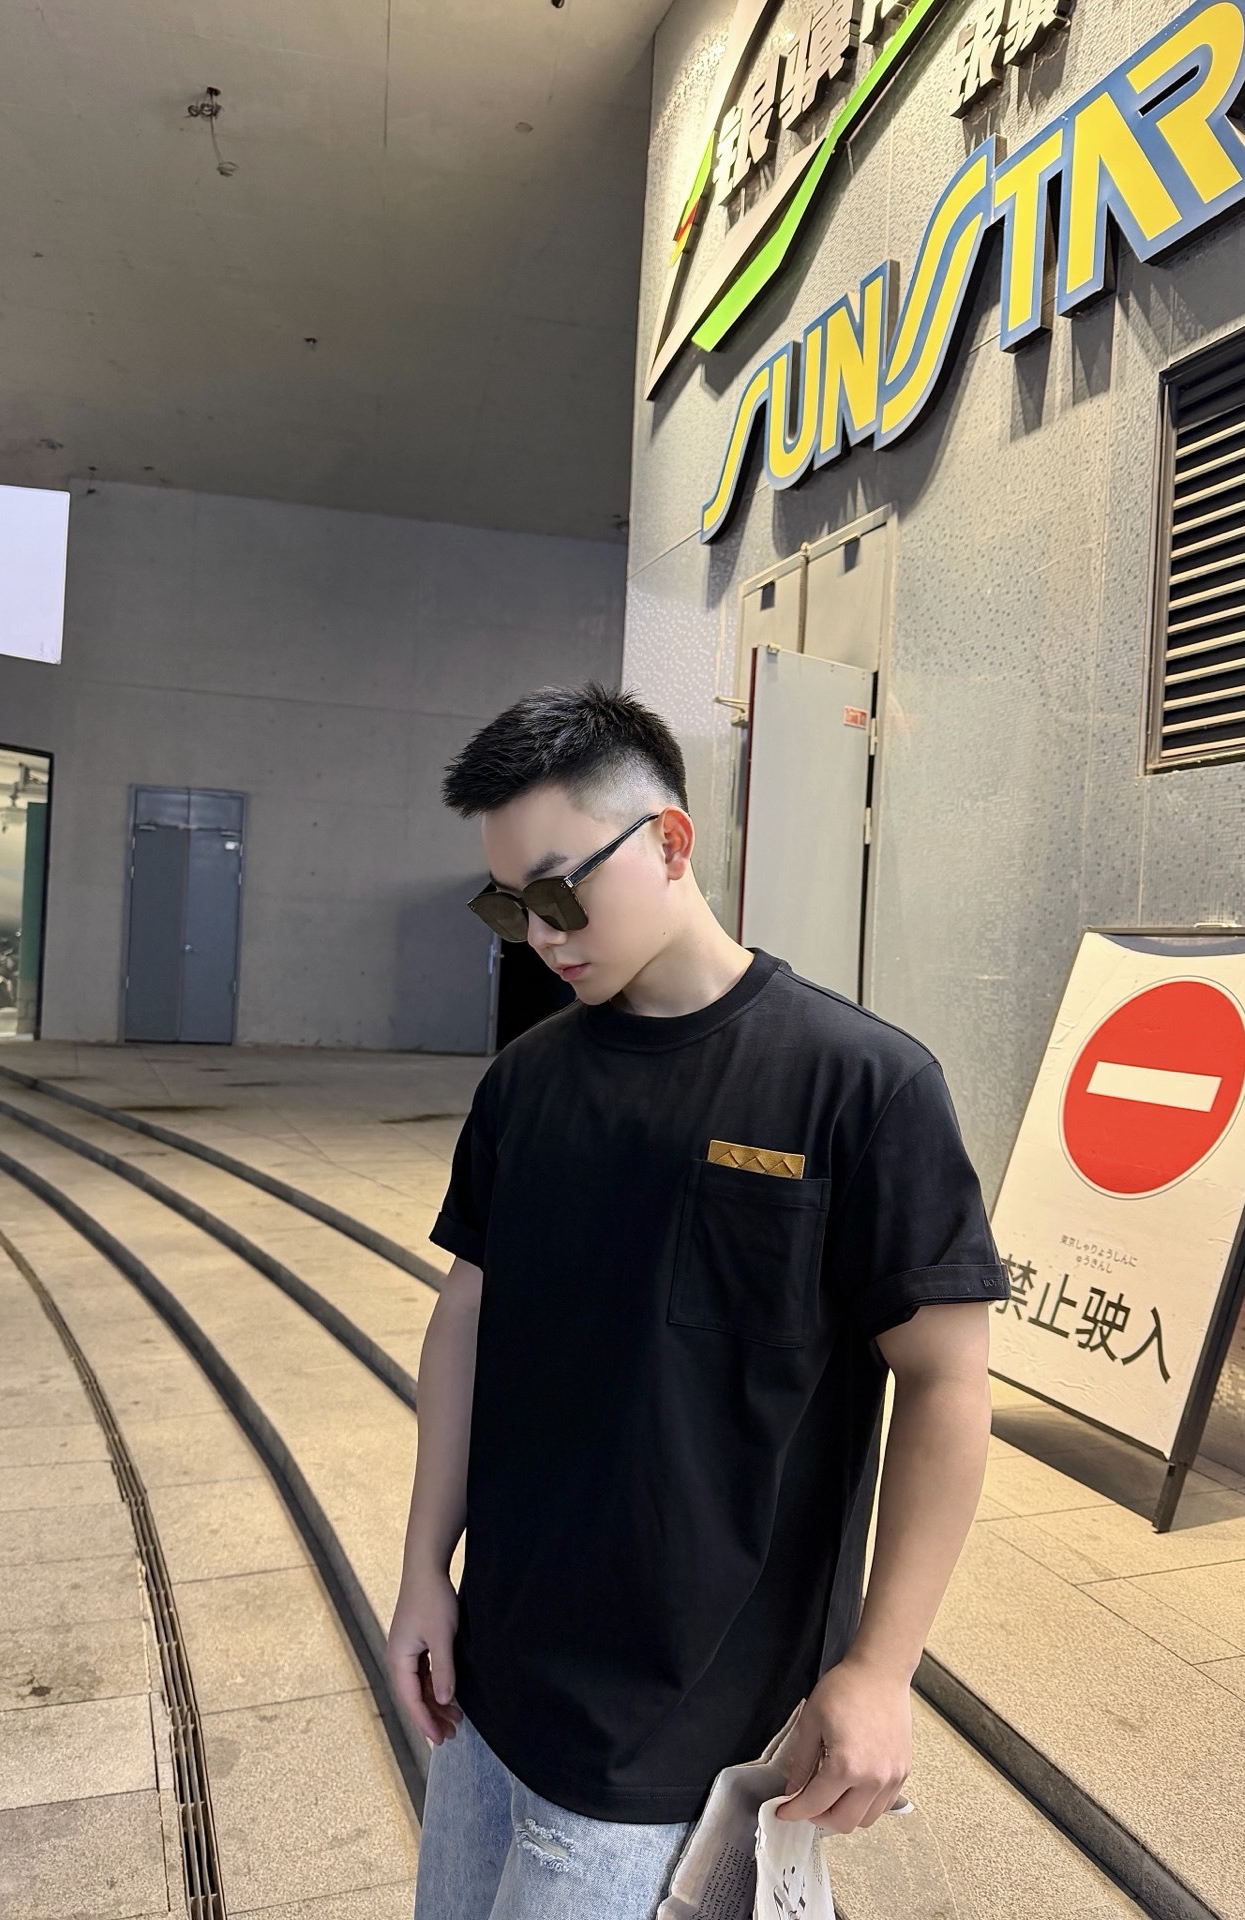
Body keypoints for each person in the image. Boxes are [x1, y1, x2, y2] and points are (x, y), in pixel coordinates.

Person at [388, 683, 1010, 1920]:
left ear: (670, 842)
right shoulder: (526, 1084)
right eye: (508, 906)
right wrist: (422, 1571)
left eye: (559, 893)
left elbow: (947, 1383)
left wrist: (883, 1668)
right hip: (492, 1690)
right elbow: (467, 1315)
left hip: (685, 1728)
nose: (540, 935)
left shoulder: (860, 1085)